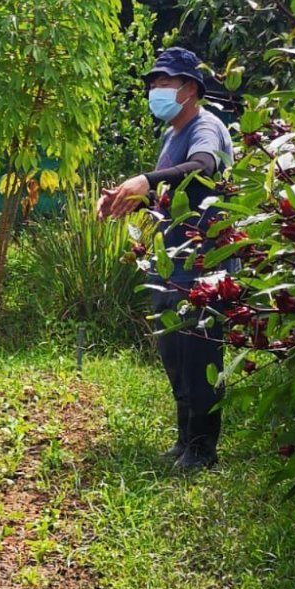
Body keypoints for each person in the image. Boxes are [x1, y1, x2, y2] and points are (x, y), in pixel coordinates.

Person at [96, 45, 236, 473]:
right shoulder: (172, 133)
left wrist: (145, 178)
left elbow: (204, 168)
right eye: (153, 83)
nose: (156, 89)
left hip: (206, 260)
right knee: (175, 353)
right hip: (173, 260)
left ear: (190, 88)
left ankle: (203, 451)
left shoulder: (204, 127)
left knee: (199, 356)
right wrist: (128, 200)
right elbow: (173, 195)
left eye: (165, 82)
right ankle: (185, 441)